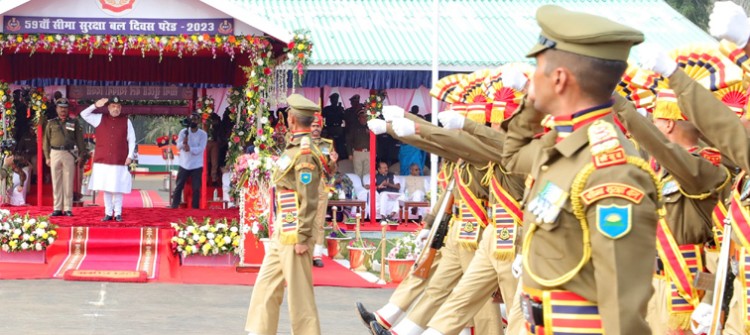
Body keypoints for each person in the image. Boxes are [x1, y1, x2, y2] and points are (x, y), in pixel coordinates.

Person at [500, 5, 659, 334]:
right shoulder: (564, 146)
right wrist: (531, 103)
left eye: (538, 69)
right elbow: (512, 155)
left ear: (559, 79)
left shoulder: (610, 169)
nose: (532, 79)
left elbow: (621, 303)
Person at [245, 94, 325, 335]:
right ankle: (259, 330)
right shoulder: (293, 148)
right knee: (266, 284)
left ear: (291, 119)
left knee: (299, 294)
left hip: (295, 228)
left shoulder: (304, 154)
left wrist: (302, 236)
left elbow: (309, 198)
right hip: (284, 224)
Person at [80, 96, 135, 222]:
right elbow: (83, 114)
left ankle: (118, 212)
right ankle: (108, 213)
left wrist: (130, 156)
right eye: (113, 106)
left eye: (118, 106)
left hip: (119, 159)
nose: (115, 109)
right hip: (103, 160)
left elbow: (132, 140)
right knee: (106, 187)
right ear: (109, 107)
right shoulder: (99, 118)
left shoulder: (126, 121)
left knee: (118, 188)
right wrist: (95, 105)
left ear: (120, 108)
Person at [43, 98, 86, 216]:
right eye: (60, 108)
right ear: (56, 109)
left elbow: (79, 139)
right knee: (56, 182)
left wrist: (81, 154)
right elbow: (45, 141)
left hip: (69, 153)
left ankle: (68, 208)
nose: (63, 110)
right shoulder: (51, 123)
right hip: (55, 153)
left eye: (65, 108)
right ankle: (57, 208)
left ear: (68, 110)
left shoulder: (73, 122)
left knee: (68, 181)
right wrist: (47, 156)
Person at [311, 112, 338, 268]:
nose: (316, 128)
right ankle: (304, 251)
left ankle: (317, 254)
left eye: (318, 126)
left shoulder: (327, 145)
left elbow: (331, 170)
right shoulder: (301, 142)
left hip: (321, 183)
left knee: (319, 220)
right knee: (304, 219)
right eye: (313, 126)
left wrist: (333, 162)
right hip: (304, 184)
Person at [169, 113, 208, 209]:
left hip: (197, 164)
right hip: (184, 163)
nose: (193, 121)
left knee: (196, 188)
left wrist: (190, 148)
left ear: (198, 121)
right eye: (192, 119)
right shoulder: (183, 132)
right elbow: (178, 146)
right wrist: (184, 143)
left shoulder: (203, 134)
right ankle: (174, 205)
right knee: (179, 185)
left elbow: (201, 148)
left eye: (195, 120)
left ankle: (195, 208)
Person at [347, 110, 371, 178]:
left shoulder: (370, 127)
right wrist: (350, 153)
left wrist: (375, 152)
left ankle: (366, 187)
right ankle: (358, 187)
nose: (364, 119)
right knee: (358, 172)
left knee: (367, 173)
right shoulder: (354, 128)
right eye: (362, 117)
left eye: (366, 117)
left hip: (368, 152)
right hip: (358, 152)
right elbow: (349, 141)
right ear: (359, 118)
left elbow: (376, 140)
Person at [322, 93, 346, 158]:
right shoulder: (327, 109)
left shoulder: (340, 108)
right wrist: (324, 127)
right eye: (333, 99)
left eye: (335, 99)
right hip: (330, 128)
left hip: (338, 127)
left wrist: (341, 111)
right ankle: (327, 156)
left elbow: (344, 118)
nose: (334, 101)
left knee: (340, 143)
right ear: (331, 100)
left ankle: (341, 157)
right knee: (329, 143)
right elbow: (321, 117)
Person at [204, 113, 221, 184]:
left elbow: (220, 129)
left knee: (214, 162)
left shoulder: (217, 118)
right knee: (206, 161)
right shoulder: (204, 119)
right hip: (206, 142)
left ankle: (214, 178)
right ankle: (206, 178)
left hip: (214, 142)